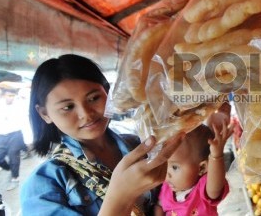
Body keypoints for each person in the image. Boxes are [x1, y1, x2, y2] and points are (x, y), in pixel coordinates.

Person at [20, 54, 184, 215]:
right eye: (68, 107)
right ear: (44, 114)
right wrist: (121, 196)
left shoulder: (140, 144)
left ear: (108, 93)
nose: (86, 114)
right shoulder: (44, 185)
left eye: (93, 98)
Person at [155, 102, 234, 216]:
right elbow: (159, 206)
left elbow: (215, 188)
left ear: (202, 167)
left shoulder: (202, 189)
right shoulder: (167, 188)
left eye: (174, 167)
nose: (167, 174)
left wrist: (216, 155)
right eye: (166, 165)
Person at [0, 87, 28, 191]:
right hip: (1, 136)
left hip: (15, 135)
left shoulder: (19, 105)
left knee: (14, 156)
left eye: (13, 96)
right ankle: (10, 169)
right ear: (3, 96)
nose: (11, 98)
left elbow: (24, 120)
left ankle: (15, 178)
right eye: (9, 96)